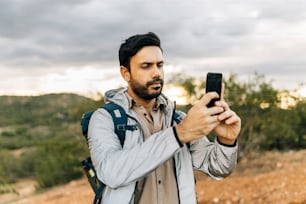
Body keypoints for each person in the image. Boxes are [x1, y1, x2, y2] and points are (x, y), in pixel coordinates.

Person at [88, 32, 241, 204]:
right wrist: (179, 135)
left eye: (160, 65)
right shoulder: (104, 118)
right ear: (126, 73)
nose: (156, 73)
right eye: (146, 66)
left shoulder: (178, 119)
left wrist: (226, 141)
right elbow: (112, 173)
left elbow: (218, 168)